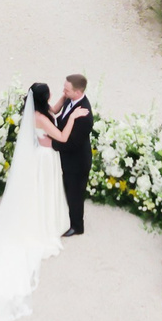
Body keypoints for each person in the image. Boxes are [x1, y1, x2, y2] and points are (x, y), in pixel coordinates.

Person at [0, 81, 69, 321]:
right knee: (47, 191)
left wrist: (62, 97)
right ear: (41, 98)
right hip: (47, 157)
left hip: (43, 156)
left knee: (44, 192)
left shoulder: (39, 112)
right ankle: (47, 223)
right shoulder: (40, 118)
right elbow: (61, 136)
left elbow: (55, 110)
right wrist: (75, 119)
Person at [51, 73, 92, 237]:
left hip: (77, 161)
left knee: (75, 192)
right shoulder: (70, 98)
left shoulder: (85, 117)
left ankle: (77, 226)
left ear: (78, 92)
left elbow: (71, 143)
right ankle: (67, 217)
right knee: (68, 189)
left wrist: (52, 143)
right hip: (69, 158)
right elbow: (57, 112)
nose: (63, 91)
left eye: (66, 90)